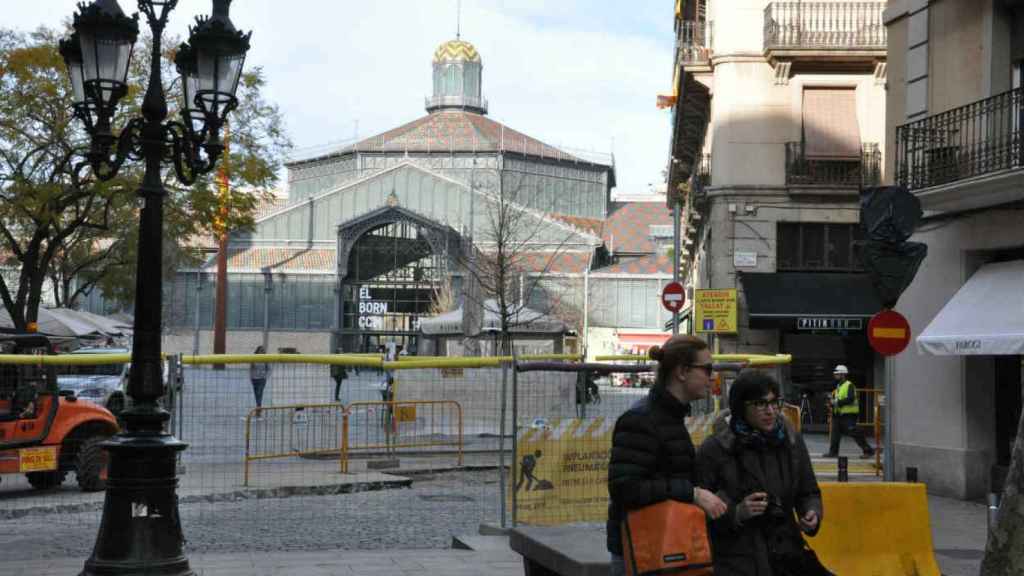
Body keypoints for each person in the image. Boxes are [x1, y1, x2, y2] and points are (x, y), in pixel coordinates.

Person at [606, 335, 728, 576]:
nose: (712, 376)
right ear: (682, 372)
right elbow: (624, 487)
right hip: (644, 555)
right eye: (707, 369)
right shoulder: (641, 419)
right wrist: (693, 493)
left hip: (667, 548)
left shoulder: (669, 416)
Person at [697, 371, 831, 576]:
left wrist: (811, 513)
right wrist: (737, 513)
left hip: (787, 552)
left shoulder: (791, 441)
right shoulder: (715, 449)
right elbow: (700, 508)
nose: (770, 411)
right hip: (738, 559)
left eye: (774, 402)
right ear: (741, 407)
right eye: (760, 404)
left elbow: (808, 491)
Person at [822, 364, 875, 459]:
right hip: (838, 415)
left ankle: (868, 450)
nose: (835, 376)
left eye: (837, 374)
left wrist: (836, 402)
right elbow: (837, 400)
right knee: (835, 435)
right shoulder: (838, 386)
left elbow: (850, 398)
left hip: (848, 415)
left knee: (854, 432)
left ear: (842, 375)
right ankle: (833, 452)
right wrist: (831, 403)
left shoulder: (849, 385)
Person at [249, 346, 270, 416]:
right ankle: (258, 408)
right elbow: (251, 369)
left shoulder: (265, 359)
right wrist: (251, 378)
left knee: (259, 393)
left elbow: (268, 369)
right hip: (255, 379)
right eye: (260, 351)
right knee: (256, 395)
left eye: (263, 351)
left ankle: (258, 409)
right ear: (257, 351)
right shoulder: (254, 358)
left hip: (262, 379)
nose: (262, 352)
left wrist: (265, 376)